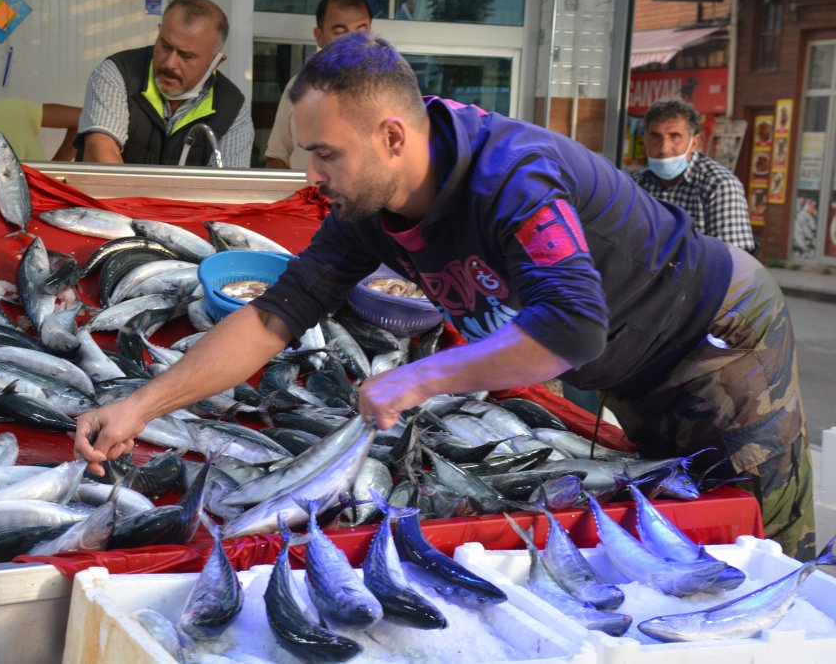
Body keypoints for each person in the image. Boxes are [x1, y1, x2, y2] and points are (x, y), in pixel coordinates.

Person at [75, 33, 815, 560]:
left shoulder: (511, 178)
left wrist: (420, 377)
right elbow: (276, 313)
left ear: (392, 136)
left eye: (325, 154)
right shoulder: (368, 211)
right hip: (632, 367)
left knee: (761, 548)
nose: (313, 176)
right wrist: (141, 406)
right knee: (680, 531)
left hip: (719, 340)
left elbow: (575, 327)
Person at [77, 0, 253, 167]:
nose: (170, 63)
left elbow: (226, 189)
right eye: (165, 46)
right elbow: (100, 153)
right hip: (108, 197)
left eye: (186, 56)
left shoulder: (233, 109)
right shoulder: (119, 72)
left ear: (216, 62)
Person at [264, 0, 372, 170]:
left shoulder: (387, 90)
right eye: (340, 32)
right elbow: (276, 157)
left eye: (361, 32)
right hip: (304, 195)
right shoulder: (298, 87)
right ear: (319, 36)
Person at [634, 99, 756, 252]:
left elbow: (732, 261)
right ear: (645, 140)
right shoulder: (636, 185)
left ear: (693, 142)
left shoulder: (719, 185)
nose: (664, 148)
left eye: (675, 136)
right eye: (655, 137)